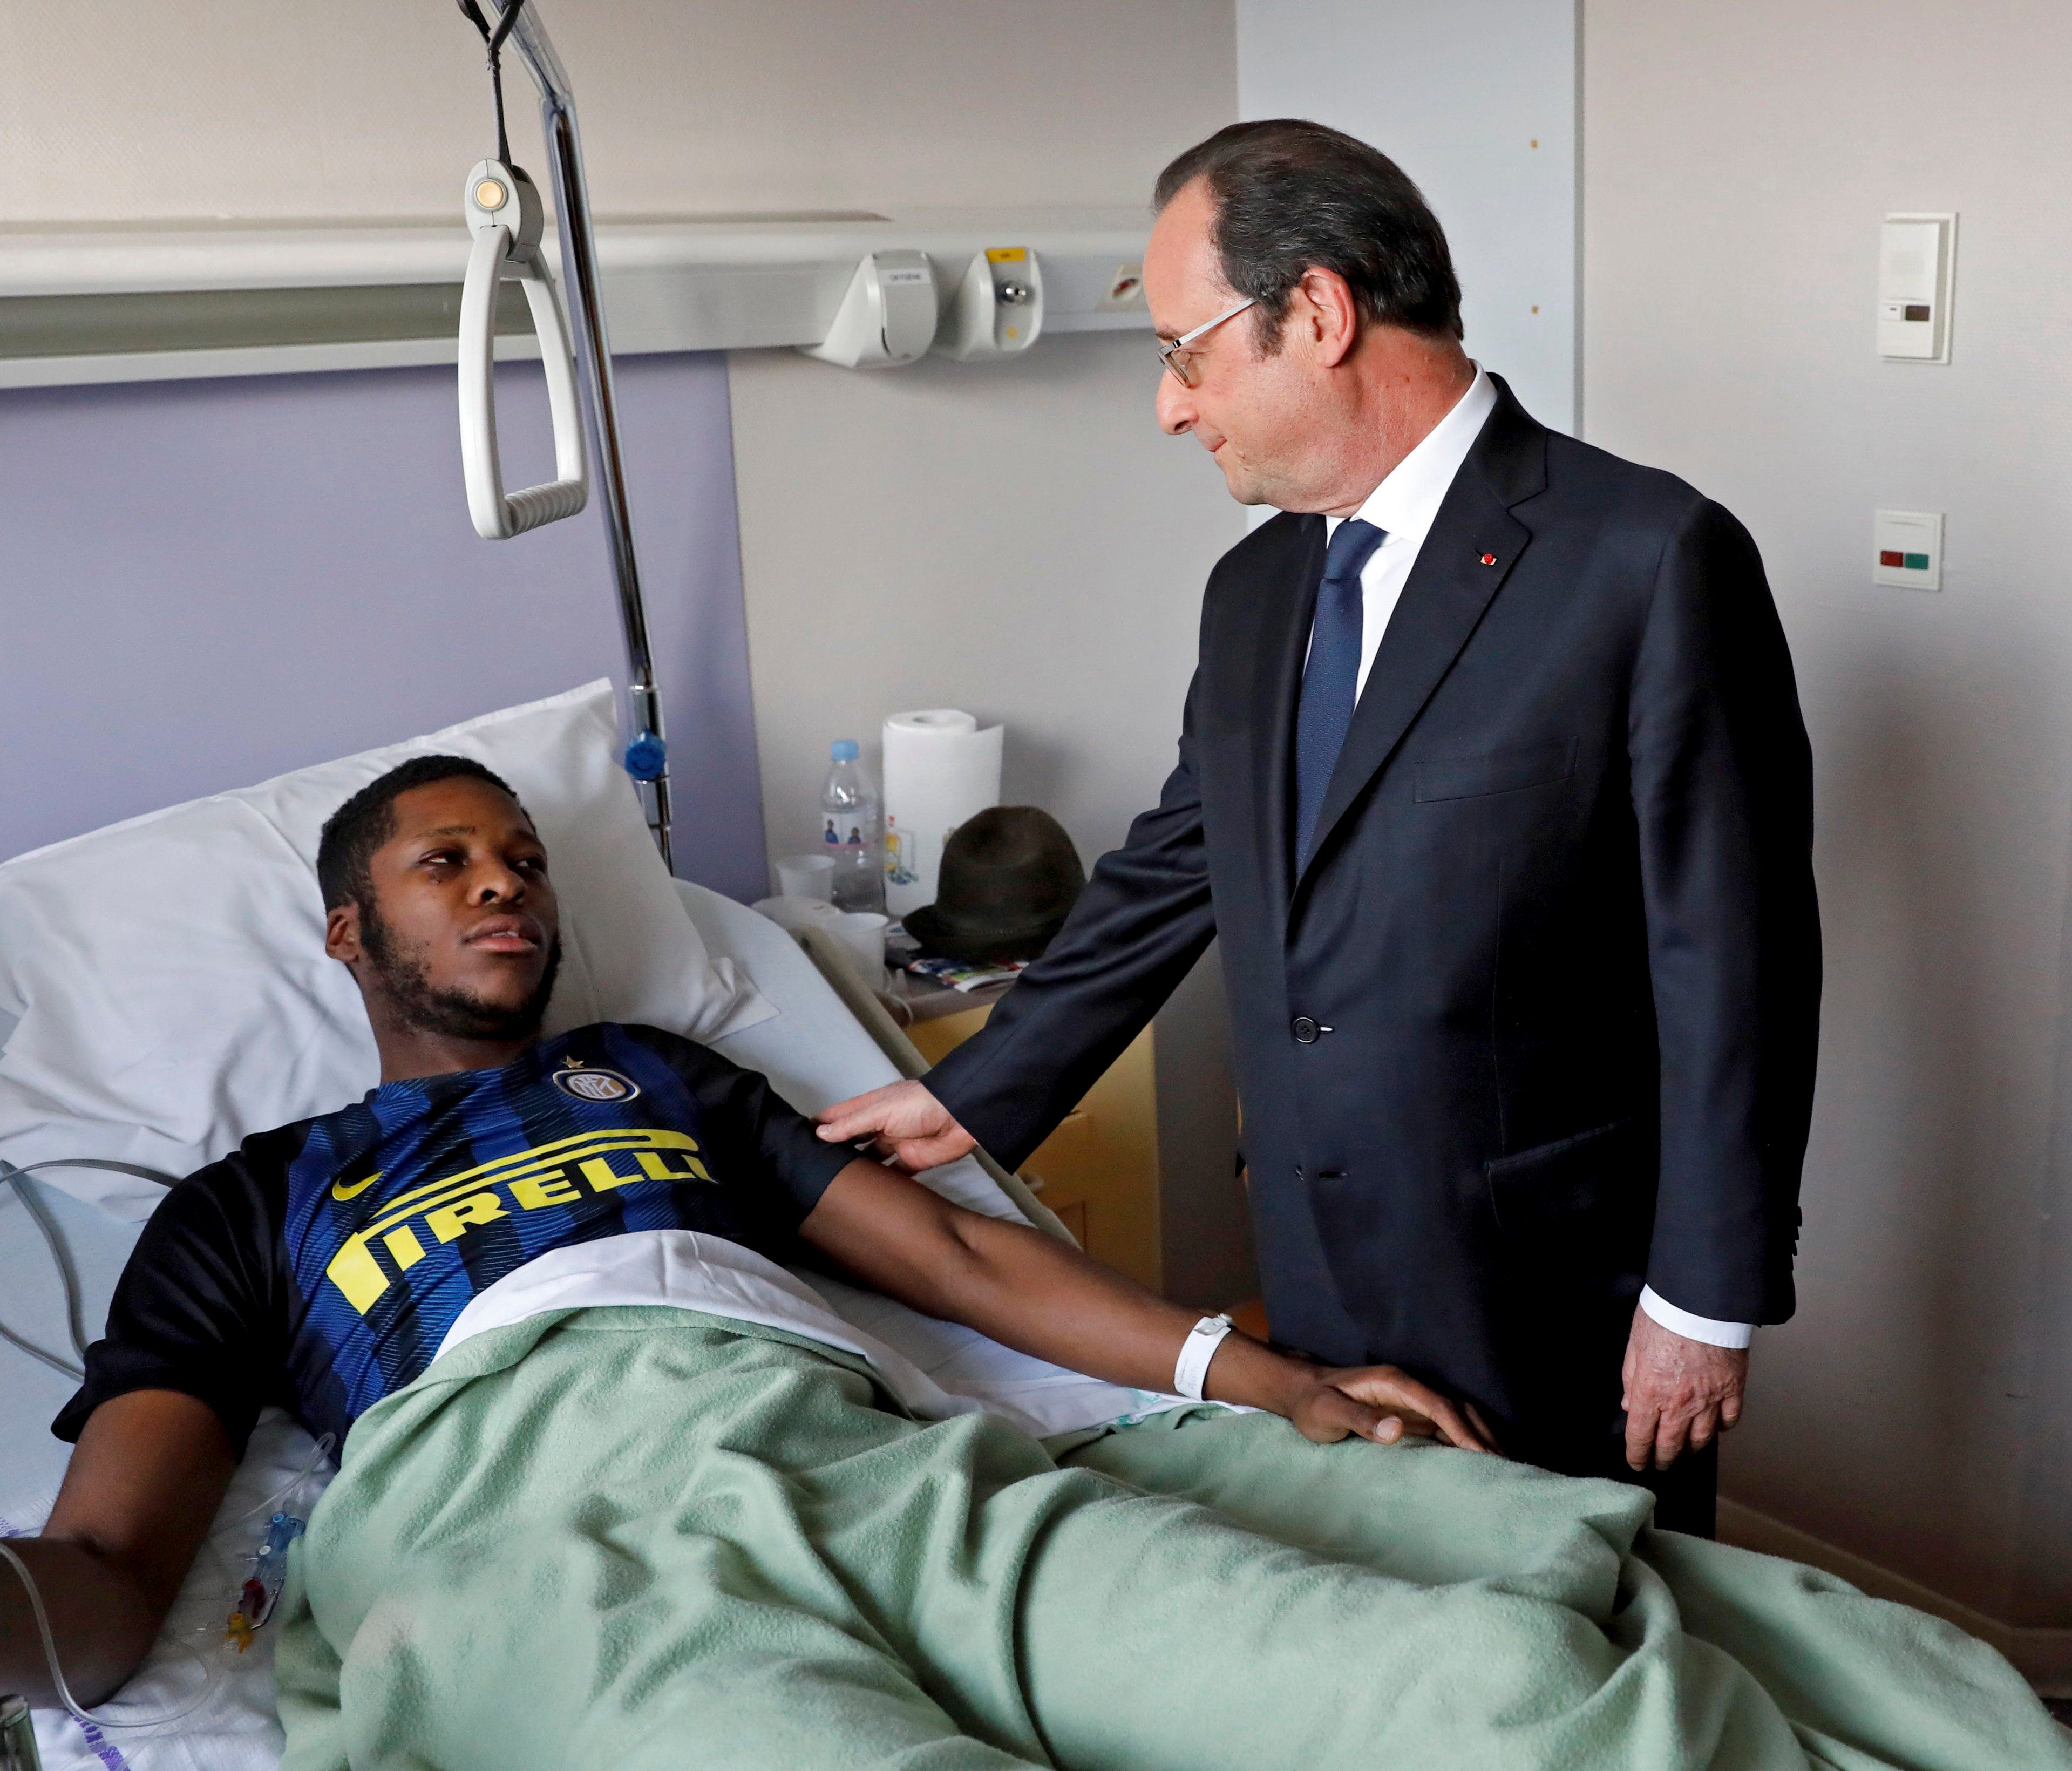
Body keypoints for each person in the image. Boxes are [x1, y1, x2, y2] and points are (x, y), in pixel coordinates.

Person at [6, 758, 2061, 1771]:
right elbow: (104, 1587)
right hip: (535, 1522)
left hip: (861, 1443)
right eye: (445, 866)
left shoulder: (660, 1071)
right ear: (349, 940)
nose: (506, 888)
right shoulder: (252, 1200)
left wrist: (1263, 1378)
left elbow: (961, 1269)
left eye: (526, 859)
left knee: (1480, 1673)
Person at [817, 120, 1822, 1537]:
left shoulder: (1643, 562)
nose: (1171, 408)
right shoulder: (1256, 594)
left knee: (1602, 1671)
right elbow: (1182, 860)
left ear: (1323, 313)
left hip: (1552, 1283)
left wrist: (1703, 1300)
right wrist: (976, 1088)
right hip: (1319, 1260)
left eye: (1186, 354)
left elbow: (1739, 963)